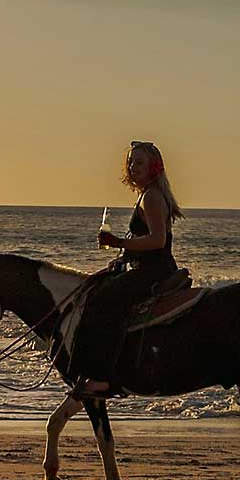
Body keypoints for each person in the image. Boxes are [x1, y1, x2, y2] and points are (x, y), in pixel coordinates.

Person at [71, 141, 184, 396]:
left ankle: (102, 378)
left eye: (139, 163)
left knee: (101, 302)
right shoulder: (147, 194)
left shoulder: (153, 196)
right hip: (143, 266)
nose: (133, 167)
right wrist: (122, 256)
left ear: (154, 167)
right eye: (131, 162)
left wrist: (119, 242)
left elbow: (158, 240)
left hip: (153, 271)